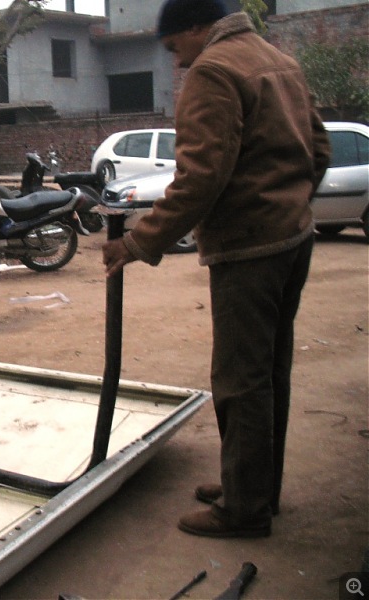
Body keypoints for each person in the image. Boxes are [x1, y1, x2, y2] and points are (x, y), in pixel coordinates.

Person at [102, 0, 330, 538]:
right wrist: (288, 202)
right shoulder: (278, 59)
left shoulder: (214, 69)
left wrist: (137, 242)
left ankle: (244, 511)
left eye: (175, 47)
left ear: (197, 29)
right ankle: (254, 487)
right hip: (293, 237)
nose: (178, 63)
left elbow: (200, 176)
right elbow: (318, 149)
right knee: (270, 373)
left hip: (249, 249)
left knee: (240, 380)